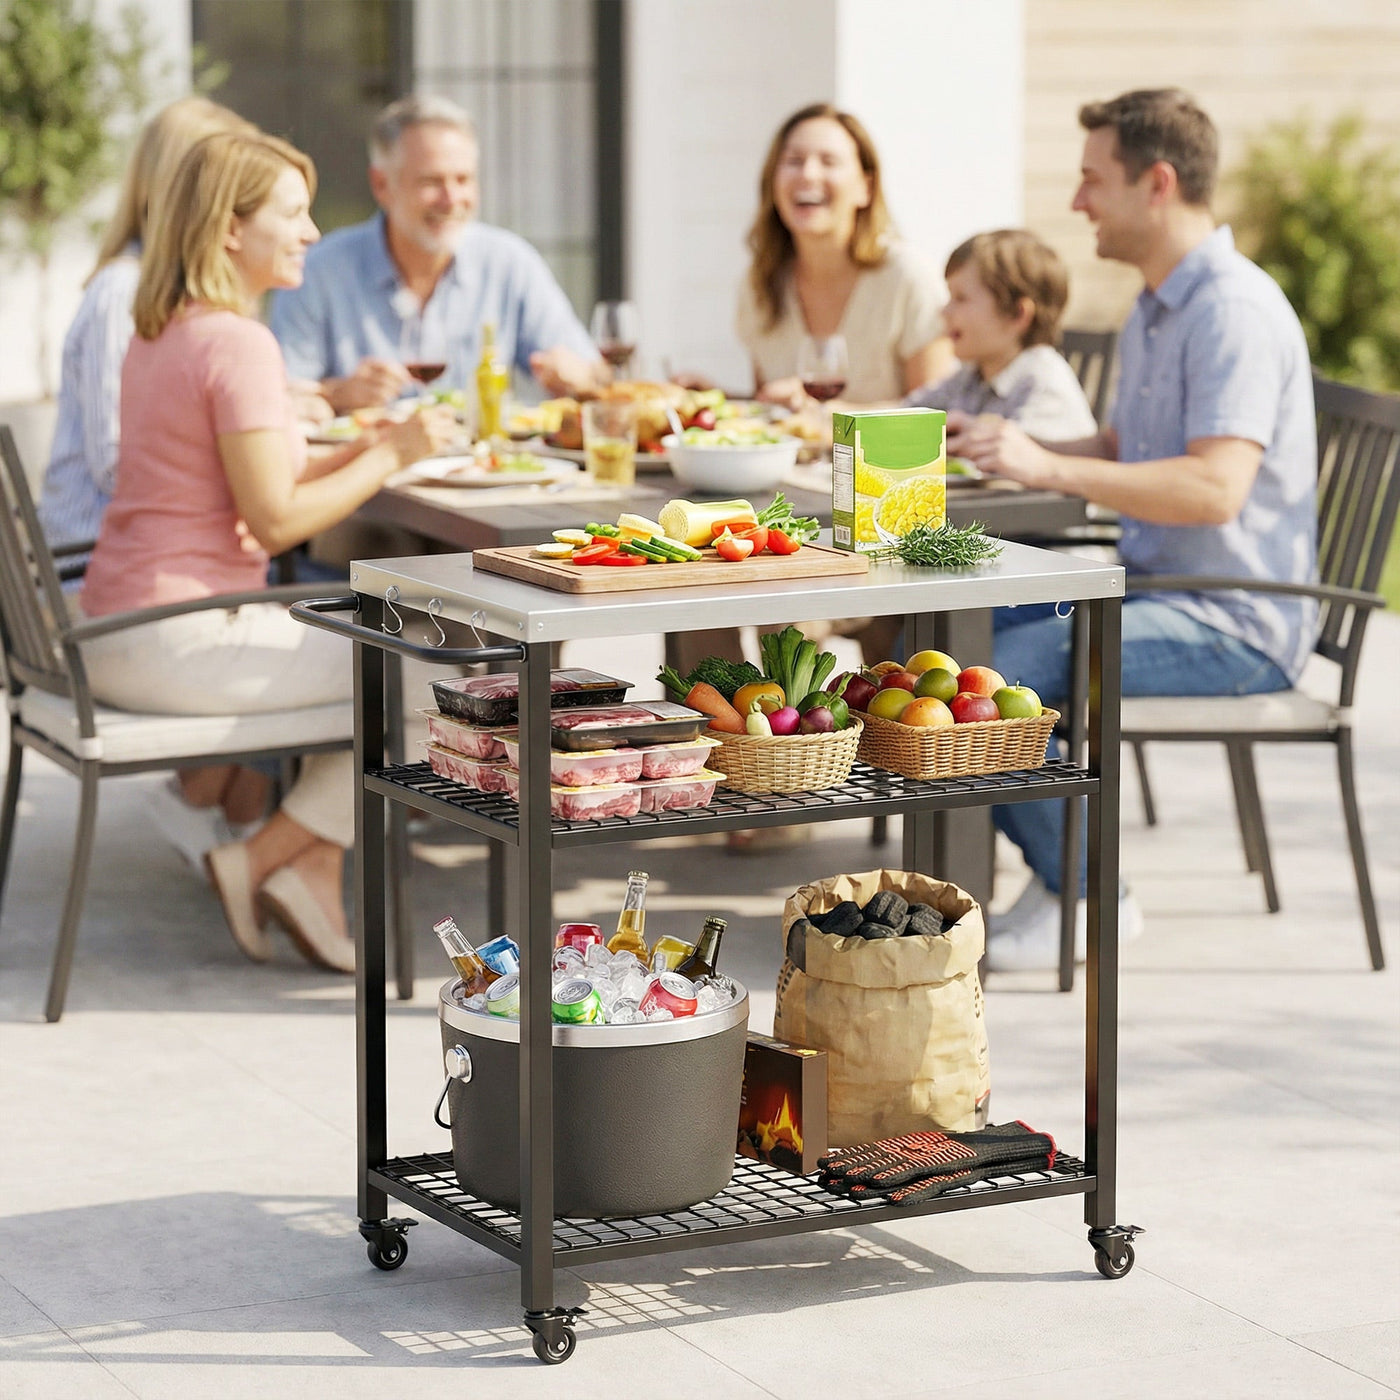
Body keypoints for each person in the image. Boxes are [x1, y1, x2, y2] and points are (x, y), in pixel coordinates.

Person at [948, 89, 1318, 971]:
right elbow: (1128, 447)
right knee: (953, 641)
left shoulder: (1231, 311)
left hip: (1232, 620)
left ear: (1157, 184)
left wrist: (1050, 469)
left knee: (993, 679)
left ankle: (1089, 893)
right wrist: (1013, 447)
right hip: (1154, 589)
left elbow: (1215, 489)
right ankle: (1060, 876)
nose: (1077, 201)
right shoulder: (1157, 305)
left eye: (1092, 179)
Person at [77, 129, 457, 972]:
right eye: (292, 213)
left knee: (380, 655)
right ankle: (260, 857)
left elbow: (251, 474)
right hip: (178, 638)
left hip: (116, 626)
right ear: (228, 230)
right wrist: (393, 455)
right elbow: (278, 519)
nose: (312, 232)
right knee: (437, 679)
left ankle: (307, 872)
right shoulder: (238, 342)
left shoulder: (166, 329)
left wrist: (373, 448)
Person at [270, 93, 603, 413]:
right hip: (369, 453)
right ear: (382, 185)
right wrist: (336, 394)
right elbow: (277, 401)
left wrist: (580, 378)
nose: (451, 199)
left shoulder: (510, 264)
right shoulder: (318, 271)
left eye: (463, 179)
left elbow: (595, 376)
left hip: (481, 452)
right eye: (432, 182)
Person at [38, 96, 251, 558]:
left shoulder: (174, 292)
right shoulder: (123, 292)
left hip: (149, 551)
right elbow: (116, 460)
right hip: (98, 561)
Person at [737, 102, 953, 410]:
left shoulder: (908, 278)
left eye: (829, 161)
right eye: (794, 161)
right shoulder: (759, 284)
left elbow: (935, 415)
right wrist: (709, 399)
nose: (808, 174)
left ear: (866, 187)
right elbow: (770, 413)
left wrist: (833, 417)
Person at [905, 229, 1097, 442]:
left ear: (1018, 314)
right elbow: (907, 411)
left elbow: (1022, 458)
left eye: (961, 298)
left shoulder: (1045, 388)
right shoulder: (972, 375)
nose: (944, 311)